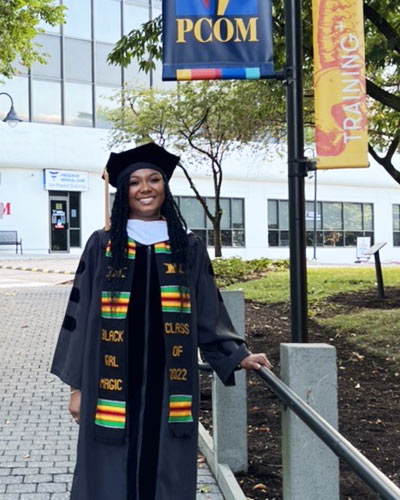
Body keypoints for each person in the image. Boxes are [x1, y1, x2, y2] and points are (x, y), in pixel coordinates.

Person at [50, 142, 271, 500]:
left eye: (154, 179)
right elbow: (78, 316)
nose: (145, 188)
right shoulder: (103, 245)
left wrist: (236, 353)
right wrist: (76, 388)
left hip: (170, 382)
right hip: (110, 381)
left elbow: (208, 309)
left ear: (165, 188)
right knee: (108, 468)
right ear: (125, 192)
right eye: (135, 182)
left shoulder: (187, 246)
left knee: (164, 467)